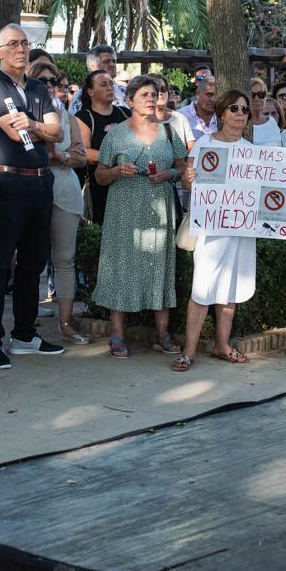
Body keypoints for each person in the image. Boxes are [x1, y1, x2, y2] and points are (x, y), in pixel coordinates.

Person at [176, 91, 286, 371]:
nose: (240, 113)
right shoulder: (205, 144)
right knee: (202, 288)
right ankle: (188, 350)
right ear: (222, 113)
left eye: (244, 110)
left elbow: (269, 192)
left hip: (241, 230)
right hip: (212, 230)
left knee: (231, 289)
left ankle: (222, 344)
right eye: (234, 108)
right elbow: (190, 184)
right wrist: (188, 178)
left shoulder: (252, 152)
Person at [0, 24, 65, 369]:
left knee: (33, 262)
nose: (21, 49)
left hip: (41, 181)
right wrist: (37, 126)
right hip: (8, 182)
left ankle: (25, 333)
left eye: (25, 43)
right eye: (12, 43)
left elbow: (56, 132)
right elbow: (13, 132)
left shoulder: (39, 86)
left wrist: (35, 125)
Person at [92, 75, 187, 359]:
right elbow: (98, 176)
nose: (150, 98)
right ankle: (117, 335)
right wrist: (116, 172)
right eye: (144, 94)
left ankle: (163, 333)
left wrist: (169, 174)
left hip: (160, 209)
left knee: (160, 267)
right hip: (123, 211)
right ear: (130, 100)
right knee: (121, 267)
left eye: (154, 94)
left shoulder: (170, 132)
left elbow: (182, 167)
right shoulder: (115, 134)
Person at [34, 60, 89, 347]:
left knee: (65, 259)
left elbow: (80, 157)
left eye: (52, 81)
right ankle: (26, 323)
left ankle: (66, 323)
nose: (48, 86)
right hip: (32, 187)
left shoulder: (67, 117)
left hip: (65, 189)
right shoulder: (21, 115)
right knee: (32, 259)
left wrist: (60, 156)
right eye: (41, 80)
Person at [75, 69, 130, 225]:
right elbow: (83, 151)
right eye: (103, 84)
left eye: (111, 84)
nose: (109, 87)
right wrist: (116, 160)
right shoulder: (84, 117)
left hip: (127, 183)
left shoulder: (126, 113)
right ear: (90, 91)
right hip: (98, 185)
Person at [178, 74, 218, 139]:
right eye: (209, 94)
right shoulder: (181, 117)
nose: (213, 99)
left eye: (216, 95)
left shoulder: (224, 116)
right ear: (197, 94)